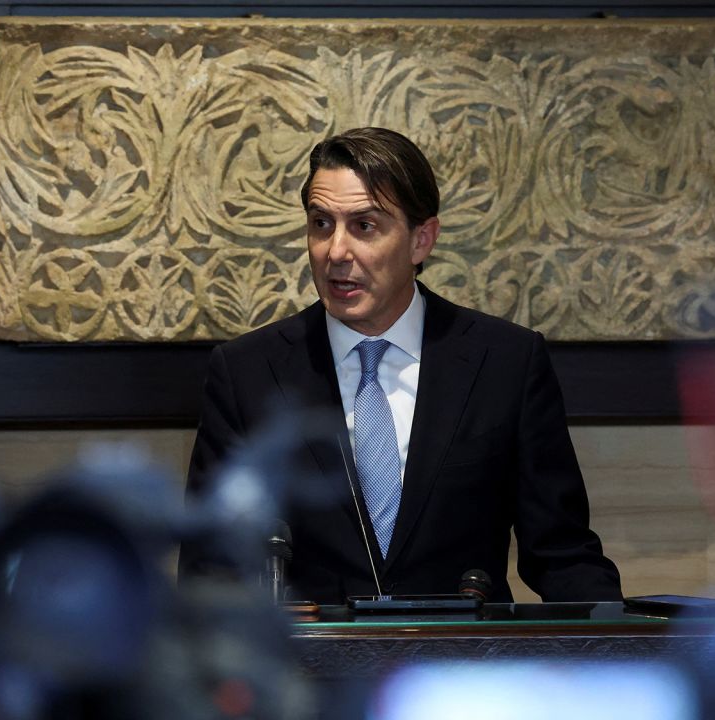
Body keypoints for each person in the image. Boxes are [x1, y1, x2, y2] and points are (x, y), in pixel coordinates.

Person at [185, 127, 621, 604]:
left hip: (459, 670)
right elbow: (211, 570)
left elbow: (562, 555)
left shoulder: (505, 363)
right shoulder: (248, 371)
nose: (336, 252)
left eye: (364, 226)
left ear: (421, 240)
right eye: (321, 224)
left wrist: (621, 650)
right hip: (306, 672)